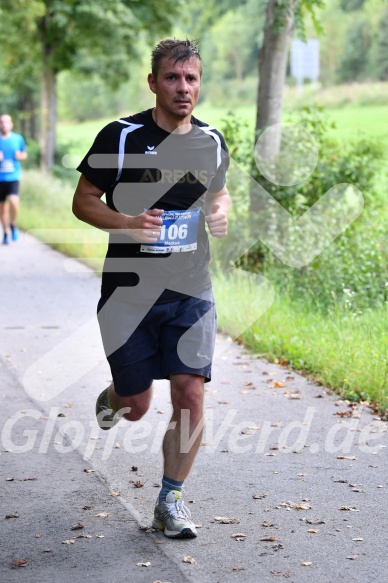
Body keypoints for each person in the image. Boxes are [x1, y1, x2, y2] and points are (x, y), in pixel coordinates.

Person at [72, 38, 230, 539]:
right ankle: (118, 394)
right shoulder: (118, 137)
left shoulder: (212, 141)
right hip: (128, 294)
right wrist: (128, 222)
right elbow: (83, 201)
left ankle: (171, 499)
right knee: (136, 406)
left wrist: (222, 210)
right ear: (153, 82)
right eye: (172, 78)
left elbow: (219, 191)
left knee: (190, 392)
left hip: (191, 289)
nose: (183, 88)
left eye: (191, 79)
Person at [0, 114, 27, 245]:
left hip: (13, 176)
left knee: (13, 202)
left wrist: (19, 156)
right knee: (2, 208)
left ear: (11, 124)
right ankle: (5, 233)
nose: (4, 125)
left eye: (6, 122)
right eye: (2, 122)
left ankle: (12, 224)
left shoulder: (18, 139)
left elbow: (24, 154)